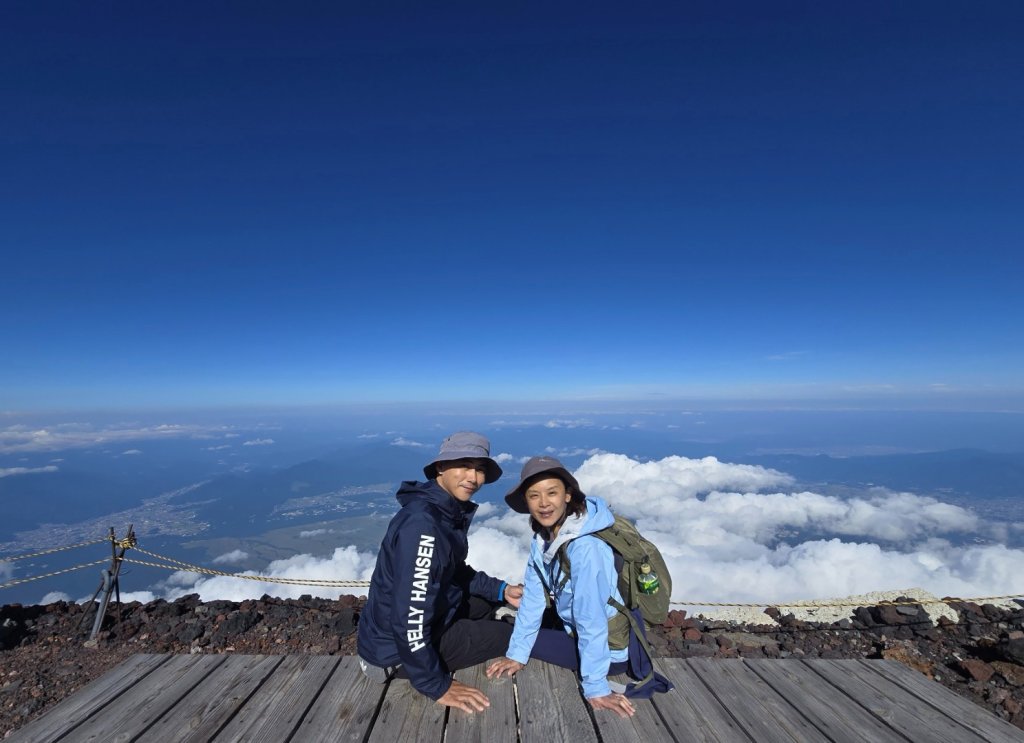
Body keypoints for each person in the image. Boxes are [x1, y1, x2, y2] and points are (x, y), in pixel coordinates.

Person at [357, 431, 523, 713]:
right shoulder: (424, 527)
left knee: (489, 603)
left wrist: (502, 590)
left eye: (479, 469)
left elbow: (454, 572)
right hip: (394, 656)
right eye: (464, 465)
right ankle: (501, 626)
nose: (473, 477)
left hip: (396, 633)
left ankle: (495, 613)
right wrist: (436, 685)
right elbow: (409, 618)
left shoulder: (442, 511)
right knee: (513, 637)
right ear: (440, 467)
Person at [487, 456, 655, 718]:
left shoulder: (585, 548)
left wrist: (596, 687)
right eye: (534, 495)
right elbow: (533, 598)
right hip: (576, 630)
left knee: (502, 635)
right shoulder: (544, 539)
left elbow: (591, 618)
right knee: (517, 637)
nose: (544, 503)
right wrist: (518, 655)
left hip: (609, 652)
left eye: (552, 493)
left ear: (567, 495)